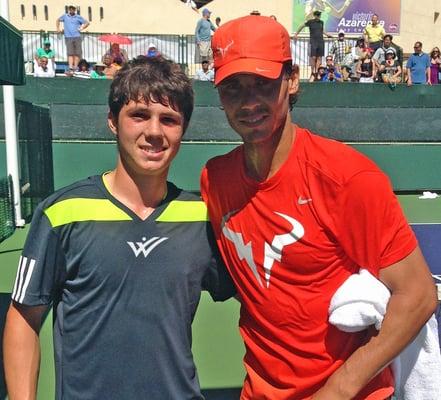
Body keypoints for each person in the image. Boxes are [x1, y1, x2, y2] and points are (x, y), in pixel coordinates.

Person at [203, 15, 437, 399]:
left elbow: (418, 296)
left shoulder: (347, 179)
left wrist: (338, 388)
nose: (248, 102)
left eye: (263, 84)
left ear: (291, 80)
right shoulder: (215, 180)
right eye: (232, 89)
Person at [3, 56, 234, 400]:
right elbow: (23, 319)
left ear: (182, 130)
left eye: (169, 119)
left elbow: (259, 298)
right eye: (139, 115)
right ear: (113, 121)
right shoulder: (62, 213)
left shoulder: (201, 217)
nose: (154, 132)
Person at [294, 10, 332, 79]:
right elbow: (302, 26)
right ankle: (313, 71)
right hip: (313, 41)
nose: (318, 16)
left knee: (319, 57)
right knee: (313, 57)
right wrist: (296, 34)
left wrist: (327, 34)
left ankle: (316, 72)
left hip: (320, 41)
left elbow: (322, 30)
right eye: (317, 15)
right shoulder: (310, 22)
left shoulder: (321, 22)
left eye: (319, 15)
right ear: (314, 15)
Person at [56, 5, 89, 72]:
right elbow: (57, 20)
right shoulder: (65, 16)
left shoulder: (78, 17)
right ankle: (70, 67)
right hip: (68, 37)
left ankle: (75, 67)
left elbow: (87, 23)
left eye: (73, 9)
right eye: (70, 8)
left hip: (77, 36)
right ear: (68, 9)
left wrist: (81, 28)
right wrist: (58, 29)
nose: (71, 10)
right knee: (70, 53)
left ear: (75, 10)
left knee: (77, 53)